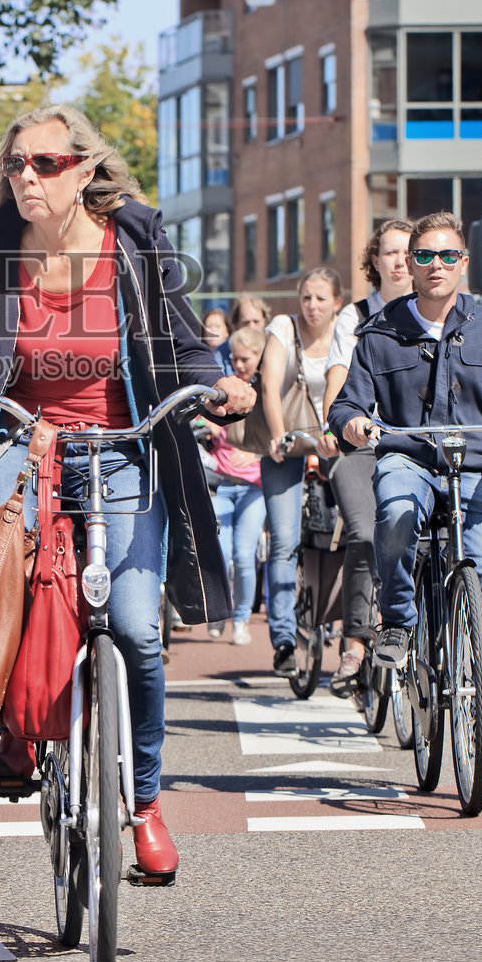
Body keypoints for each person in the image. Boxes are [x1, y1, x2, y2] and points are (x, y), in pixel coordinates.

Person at [0, 104, 253, 880]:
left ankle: (147, 805)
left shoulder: (132, 239)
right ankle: (19, 729)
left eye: (45, 164)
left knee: (134, 628)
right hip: (27, 443)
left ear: (84, 172)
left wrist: (219, 383)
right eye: (16, 164)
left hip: (126, 446)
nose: (26, 176)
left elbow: (182, 341)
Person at [329, 211, 482, 759]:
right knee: (397, 512)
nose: (434, 265)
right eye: (423, 256)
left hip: (477, 468)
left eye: (448, 255)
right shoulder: (380, 333)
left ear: (464, 263)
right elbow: (347, 404)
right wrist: (354, 422)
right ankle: (400, 622)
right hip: (410, 459)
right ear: (409, 264)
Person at [319, 220, 413, 695]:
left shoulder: (428, 313)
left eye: (407, 252)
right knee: (363, 527)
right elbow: (337, 380)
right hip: (360, 444)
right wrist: (337, 425)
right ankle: (355, 639)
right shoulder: (355, 318)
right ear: (374, 261)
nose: (401, 260)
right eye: (391, 252)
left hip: (410, 444)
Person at [259, 266, 343, 676]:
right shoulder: (283, 326)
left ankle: (349, 623)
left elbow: (345, 389)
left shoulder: (346, 331)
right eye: (306, 297)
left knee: (352, 528)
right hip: (287, 441)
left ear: (337, 303)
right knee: (284, 541)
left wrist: (335, 433)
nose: (312, 306)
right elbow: (269, 384)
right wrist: (277, 436)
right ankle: (284, 640)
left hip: (331, 438)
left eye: (321, 298)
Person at [204, 325, 266, 645]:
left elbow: (278, 432)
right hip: (221, 482)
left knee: (244, 556)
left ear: (259, 357)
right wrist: (206, 423)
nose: (240, 364)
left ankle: (241, 619)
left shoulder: (267, 389)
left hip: (253, 486)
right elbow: (198, 415)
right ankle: (221, 611)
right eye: (235, 358)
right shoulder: (224, 386)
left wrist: (256, 452)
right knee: (221, 552)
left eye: (246, 358)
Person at [201, 308, 233, 374]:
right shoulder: (199, 358)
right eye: (209, 326)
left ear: (227, 331)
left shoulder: (234, 357)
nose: (213, 330)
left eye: (217, 326)